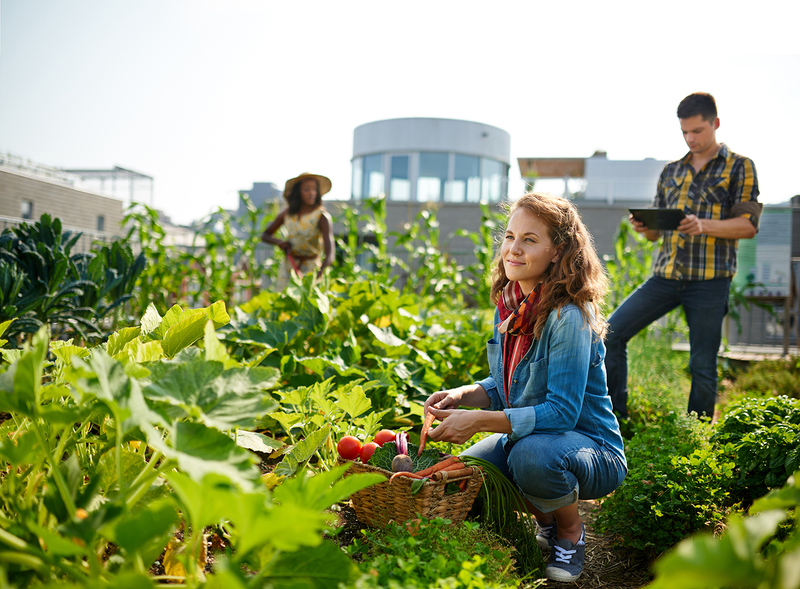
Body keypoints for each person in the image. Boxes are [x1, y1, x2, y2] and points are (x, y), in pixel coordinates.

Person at [423, 192, 627, 583]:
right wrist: (465, 396)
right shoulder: (513, 305)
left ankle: (569, 530)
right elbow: (508, 384)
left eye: (530, 240)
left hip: (590, 447)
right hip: (535, 437)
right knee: (470, 476)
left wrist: (479, 421)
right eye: (510, 237)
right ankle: (546, 516)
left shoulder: (568, 316)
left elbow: (562, 413)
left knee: (531, 457)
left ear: (558, 251)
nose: (513, 249)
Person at [604, 92, 761, 420]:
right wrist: (644, 226)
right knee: (610, 334)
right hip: (665, 277)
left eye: (698, 131)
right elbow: (655, 233)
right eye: (685, 132)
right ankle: (615, 420)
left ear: (715, 124)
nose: (691, 138)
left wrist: (703, 225)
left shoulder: (740, 167)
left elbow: (747, 226)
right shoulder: (672, 171)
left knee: (702, 365)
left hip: (709, 282)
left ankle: (697, 436)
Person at [261, 172, 335, 290]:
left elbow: (330, 255)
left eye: (315, 189)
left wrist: (317, 276)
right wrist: (280, 243)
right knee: (283, 302)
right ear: (298, 193)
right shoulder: (287, 214)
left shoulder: (321, 216)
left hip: (311, 269)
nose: (311, 193)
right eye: (306, 189)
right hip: (289, 266)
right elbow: (265, 235)